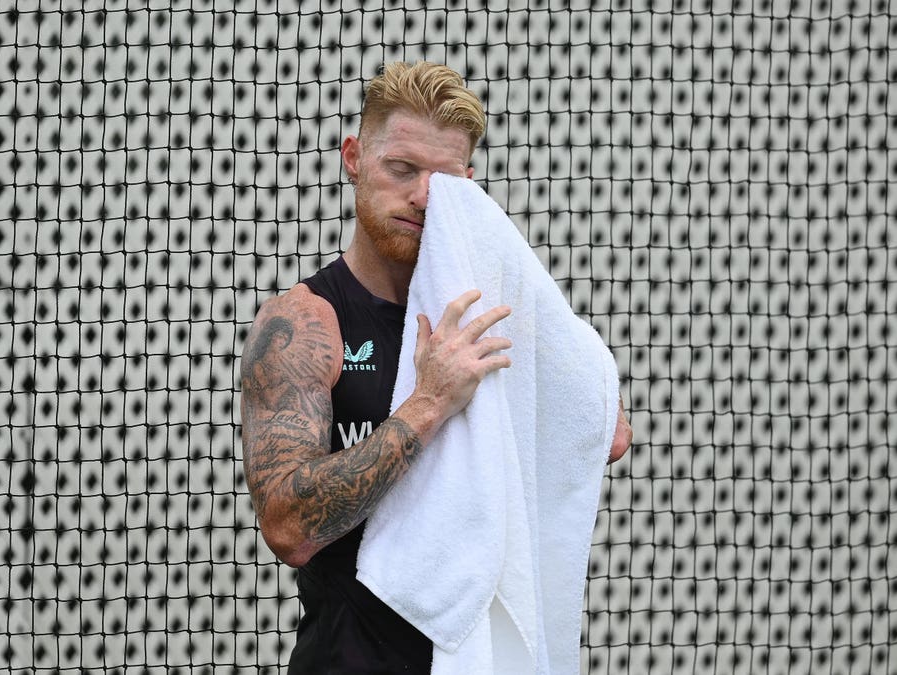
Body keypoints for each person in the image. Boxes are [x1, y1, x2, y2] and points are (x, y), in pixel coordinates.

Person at [240, 61, 633, 674]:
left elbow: (607, 434)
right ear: (354, 157)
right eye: (402, 169)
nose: (423, 196)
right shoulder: (307, 324)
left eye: (445, 180)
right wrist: (429, 403)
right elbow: (288, 527)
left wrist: (564, 385)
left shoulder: (488, 309)